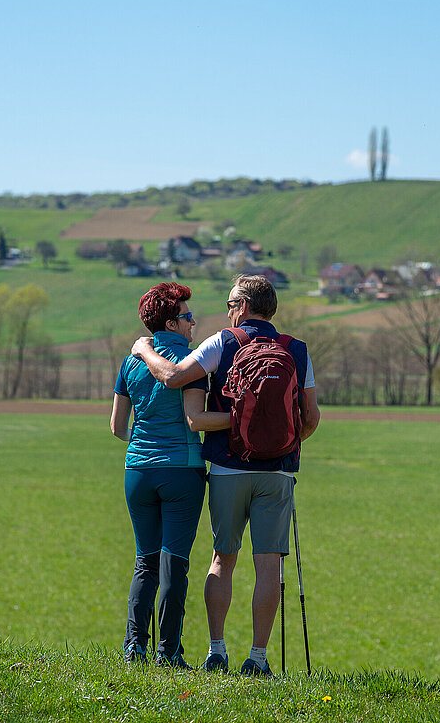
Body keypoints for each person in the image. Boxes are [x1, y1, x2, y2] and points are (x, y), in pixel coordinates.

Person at [130, 273, 320, 677]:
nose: (229, 310)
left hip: (229, 469)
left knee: (223, 559)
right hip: (279, 474)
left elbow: (173, 377)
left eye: (232, 303)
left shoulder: (224, 341)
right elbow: (311, 417)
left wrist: (144, 350)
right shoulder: (297, 350)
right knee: (269, 564)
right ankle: (258, 658)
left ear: (244, 305)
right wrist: (285, 442)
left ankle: (217, 651)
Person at [110, 281, 230, 669]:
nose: (193, 321)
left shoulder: (131, 362)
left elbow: (116, 426)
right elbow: (195, 418)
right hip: (182, 471)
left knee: (145, 560)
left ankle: (134, 649)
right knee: (174, 562)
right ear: (172, 322)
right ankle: (169, 653)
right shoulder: (190, 362)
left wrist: (145, 447)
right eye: (187, 315)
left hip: (138, 471)